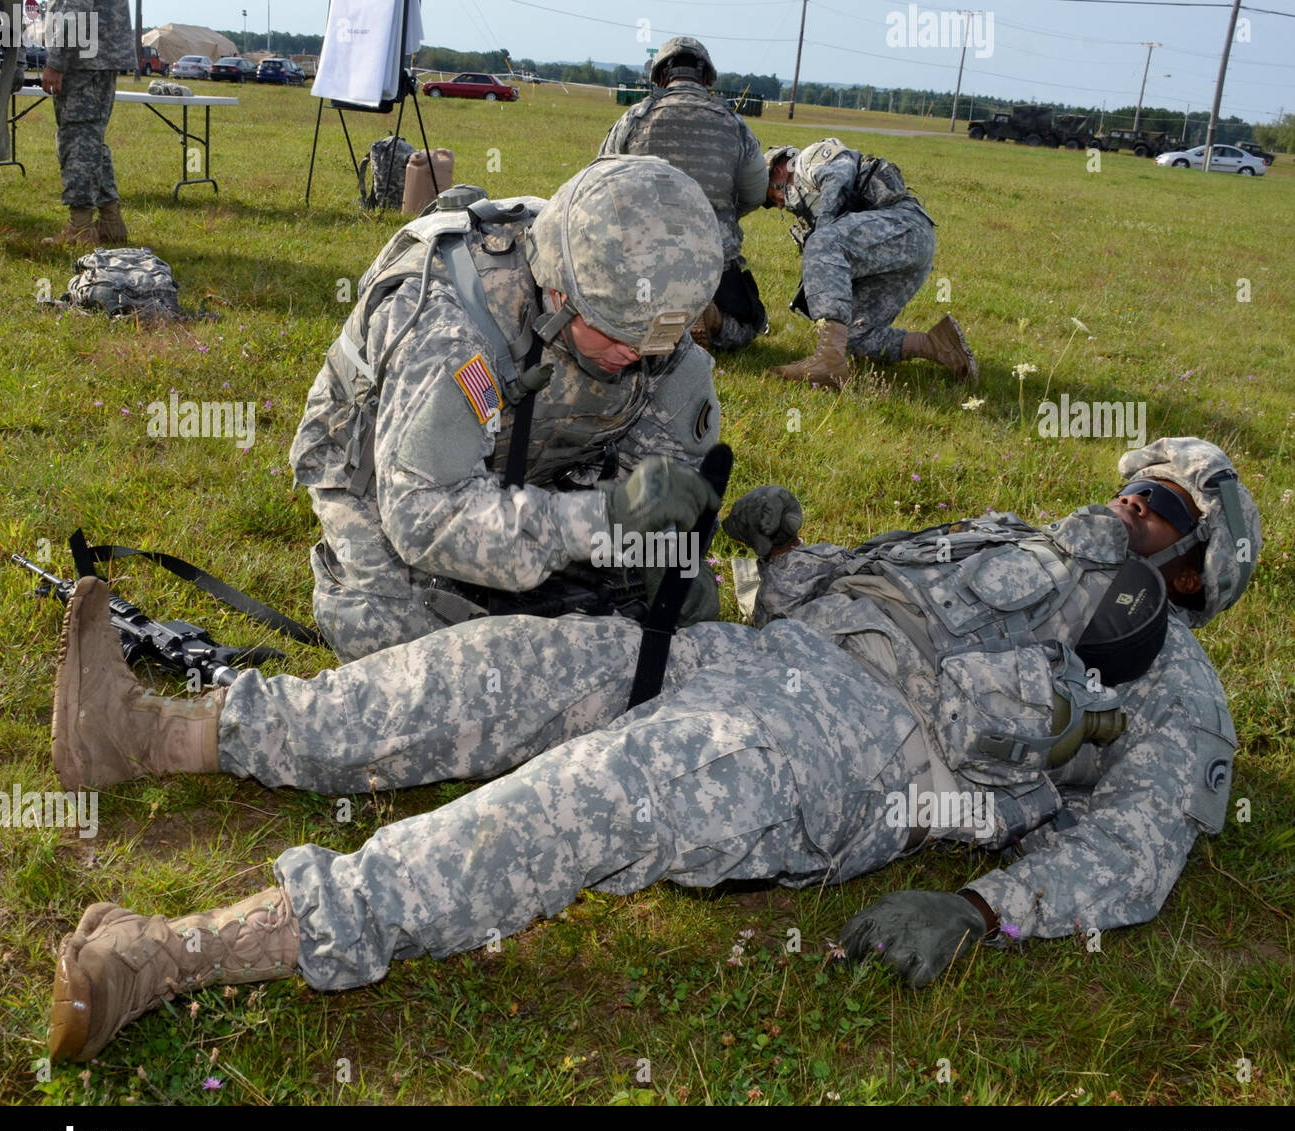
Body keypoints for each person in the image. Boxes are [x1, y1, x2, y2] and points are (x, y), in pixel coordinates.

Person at [46, 438, 1259, 1061]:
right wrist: (782, 558)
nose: (1124, 508)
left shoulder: (1169, 682)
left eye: (1159, 509)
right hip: (751, 659)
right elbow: (819, 600)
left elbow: (1137, 849)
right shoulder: (1015, 542)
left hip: (841, 762)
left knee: (581, 799)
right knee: (496, 666)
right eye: (1133, 485)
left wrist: (989, 907)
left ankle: (177, 956)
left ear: (1198, 570)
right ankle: (152, 734)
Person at [290, 156, 727, 663]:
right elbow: (424, 516)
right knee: (403, 644)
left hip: (539, 463)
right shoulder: (453, 327)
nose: (640, 355)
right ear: (559, 291)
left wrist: (665, 553)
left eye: (662, 339)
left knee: (631, 619)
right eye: (619, 335)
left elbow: (665, 478)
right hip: (392, 478)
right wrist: (594, 521)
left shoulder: (650, 328)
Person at [599, 37, 769, 352]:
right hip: (710, 264)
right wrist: (722, 216)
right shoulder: (734, 124)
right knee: (747, 327)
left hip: (644, 262)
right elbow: (755, 193)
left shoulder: (635, 119)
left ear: (661, 77)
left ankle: (651, 318)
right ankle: (711, 317)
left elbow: (601, 182)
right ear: (706, 78)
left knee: (618, 311)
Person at [769, 138, 977, 390]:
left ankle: (827, 362)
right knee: (853, 336)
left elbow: (840, 173)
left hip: (905, 227)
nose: (779, 204)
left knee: (823, 242)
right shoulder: (811, 206)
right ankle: (936, 345)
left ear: (779, 169)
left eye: (773, 196)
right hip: (898, 251)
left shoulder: (807, 161)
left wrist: (822, 232)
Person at [39, 0, 134, 246]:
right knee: (92, 142)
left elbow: (74, 13)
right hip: (95, 58)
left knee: (78, 141)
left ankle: (80, 229)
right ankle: (110, 223)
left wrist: (57, 61)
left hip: (82, 62)